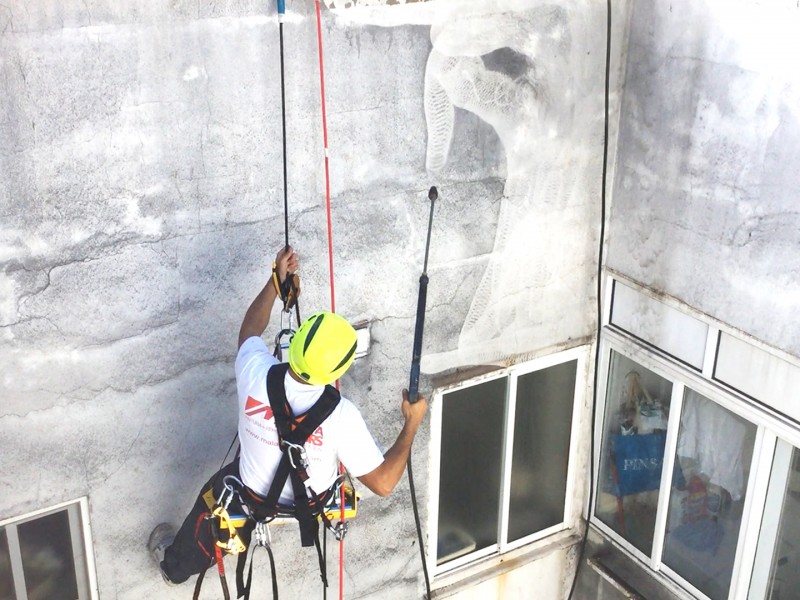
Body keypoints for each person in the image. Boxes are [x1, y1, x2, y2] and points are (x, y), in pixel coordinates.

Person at [148, 245, 428, 586]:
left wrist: (275, 282)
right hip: (311, 502)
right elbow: (383, 483)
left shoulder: (255, 372)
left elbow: (250, 331)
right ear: (335, 373)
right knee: (349, 459)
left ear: (294, 346)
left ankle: (175, 567)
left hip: (248, 493)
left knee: (210, 502)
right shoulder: (341, 416)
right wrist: (412, 422)